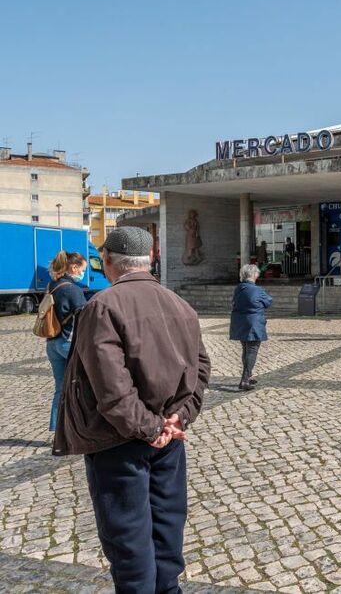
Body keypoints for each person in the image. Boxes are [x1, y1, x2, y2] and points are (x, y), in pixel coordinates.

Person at [53, 227, 210, 593]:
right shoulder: (179, 303)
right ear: (151, 258)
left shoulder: (103, 306)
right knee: (167, 529)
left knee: (129, 539)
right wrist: (178, 418)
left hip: (119, 441)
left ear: (108, 262)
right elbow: (201, 368)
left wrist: (153, 427)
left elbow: (112, 389)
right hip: (168, 438)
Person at [44, 250, 88, 432]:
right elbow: (85, 317)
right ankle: (81, 428)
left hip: (52, 343)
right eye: (82, 270)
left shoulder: (52, 285)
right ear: (74, 267)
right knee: (85, 385)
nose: (83, 274)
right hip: (68, 343)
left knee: (60, 388)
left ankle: (56, 429)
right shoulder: (73, 290)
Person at [230, 264, 273, 390]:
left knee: (245, 349)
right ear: (254, 275)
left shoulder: (238, 288)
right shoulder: (257, 290)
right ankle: (244, 380)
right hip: (253, 323)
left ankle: (247, 376)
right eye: (257, 274)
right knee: (252, 350)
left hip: (240, 322)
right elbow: (268, 301)